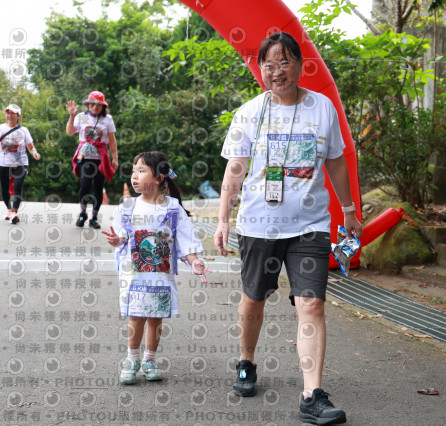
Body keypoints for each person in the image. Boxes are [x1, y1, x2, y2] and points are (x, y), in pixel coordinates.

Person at [213, 32, 362, 425]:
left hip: (310, 226)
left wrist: (348, 210)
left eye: (284, 62)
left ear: (301, 65)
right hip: (259, 225)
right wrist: (223, 218)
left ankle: (312, 395)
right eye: (269, 64)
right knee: (254, 298)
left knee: (311, 304)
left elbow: (335, 161)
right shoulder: (249, 112)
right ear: (260, 69)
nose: (276, 71)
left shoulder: (322, 108)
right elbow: (235, 169)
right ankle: (246, 361)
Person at [103, 151, 207, 385]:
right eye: (133, 171)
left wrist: (194, 260)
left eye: (141, 171)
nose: (134, 176)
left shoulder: (173, 209)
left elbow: (185, 239)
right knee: (136, 316)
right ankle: (132, 359)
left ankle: (150, 359)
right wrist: (117, 240)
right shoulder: (127, 207)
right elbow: (122, 236)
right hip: (135, 276)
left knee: (156, 318)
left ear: (159, 178)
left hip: (160, 276)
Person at [0, 104, 41, 224]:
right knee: (4, 188)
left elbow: (31, 147)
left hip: (20, 162)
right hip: (3, 162)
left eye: (12, 113)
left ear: (18, 116)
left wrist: (35, 153)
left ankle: (15, 212)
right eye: (8, 113)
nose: (9, 115)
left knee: (18, 186)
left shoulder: (23, 130)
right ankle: (9, 209)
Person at [66, 91, 119, 229]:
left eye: (98, 104)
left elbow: (112, 141)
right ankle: (83, 213)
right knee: (85, 185)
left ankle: (94, 217)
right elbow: (70, 132)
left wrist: (115, 158)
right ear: (88, 104)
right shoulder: (82, 117)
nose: (95, 107)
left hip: (101, 158)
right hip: (85, 158)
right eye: (92, 104)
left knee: (98, 187)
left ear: (103, 106)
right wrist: (71, 116)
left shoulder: (107, 119)